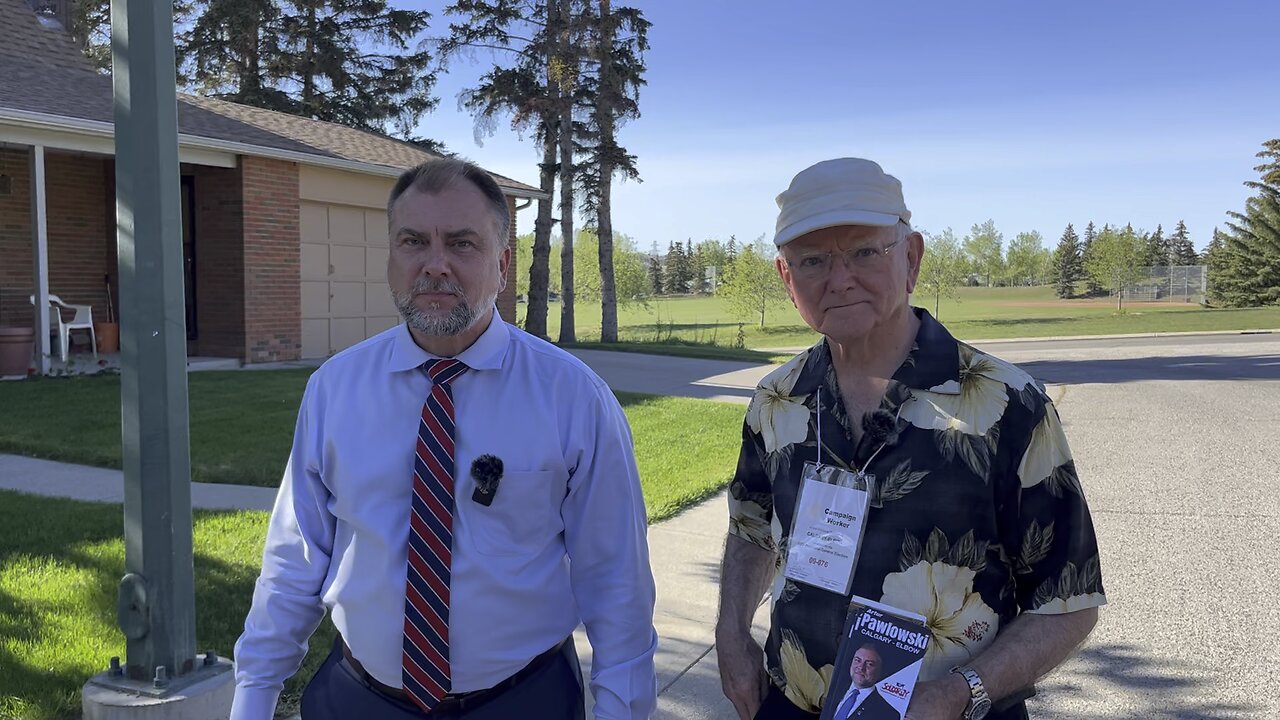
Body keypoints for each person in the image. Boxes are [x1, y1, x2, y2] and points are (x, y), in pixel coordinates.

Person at [230, 157, 658, 720]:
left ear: (502, 264)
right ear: (391, 257)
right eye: (413, 242)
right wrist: (252, 697)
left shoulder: (573, 398)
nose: (436, 265)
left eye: (461, 244)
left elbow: (617, 584)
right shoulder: (335, 390)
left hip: (522, 701)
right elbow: (296, 557)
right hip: (360, 699)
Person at [715, 158, 1106, 720]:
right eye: (813, 260)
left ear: (912, 257)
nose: (840, 277)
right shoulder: (778, 401)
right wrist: (731, 635)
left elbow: (1068, 602)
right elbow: (750, 527)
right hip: (791, 705)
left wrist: (956, 695)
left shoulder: (1005, 407)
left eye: (865, 251)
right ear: (786, 278)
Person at [831, 644, 895, 720]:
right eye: (857, 660)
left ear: (880, 670)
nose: (861, 667)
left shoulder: (888, 713)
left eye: (869, 664)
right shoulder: (832, 685)